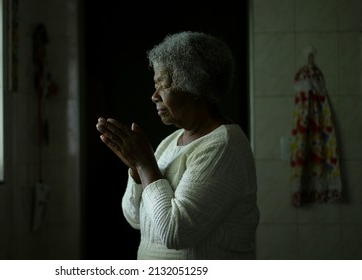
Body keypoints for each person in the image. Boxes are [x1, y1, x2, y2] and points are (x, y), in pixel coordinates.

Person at [95, 31, 259, 259]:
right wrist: (136, 171)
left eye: (163, 85)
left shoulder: (223, 147)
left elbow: (175, 232)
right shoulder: (170, 143)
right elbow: (135, 219)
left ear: (195, 87)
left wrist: (145, 164)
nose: (154, 96)